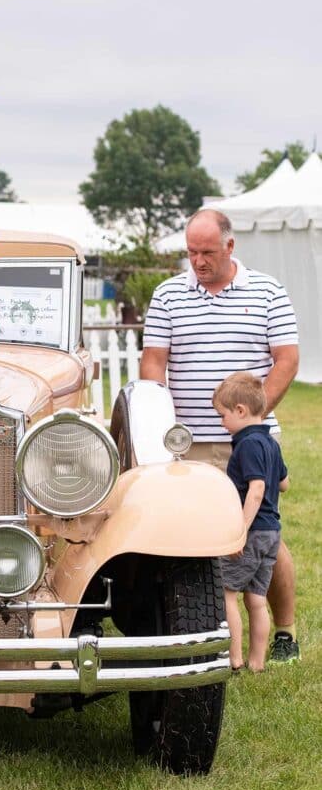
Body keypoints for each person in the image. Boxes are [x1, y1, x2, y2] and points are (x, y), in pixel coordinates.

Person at [140, 208, 301, 662]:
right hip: (190, 441)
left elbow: (286, 360)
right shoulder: (169, 294)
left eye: (207, 252)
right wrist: (159, 420)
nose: (198, 261)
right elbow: (154, 361)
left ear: (230, 247)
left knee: (264, 535)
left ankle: (284, 632)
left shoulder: (268, 291)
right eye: (191, 252)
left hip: (250, 441)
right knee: (193, 537)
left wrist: (252, 419)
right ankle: (200, 629)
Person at [212, 372, 289, 672]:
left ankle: (234, 659)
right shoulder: (270, 443)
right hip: (272, 532)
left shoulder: (247, 445)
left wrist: (240, 530)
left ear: (241, 411)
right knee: (256, 599)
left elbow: (256, 489)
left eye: (223, 416)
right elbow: (284, 484)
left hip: (253, 531)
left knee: (227, 594)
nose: (222, 423)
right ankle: (256, 663)